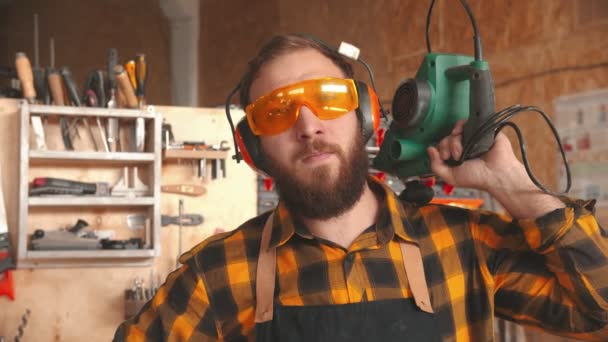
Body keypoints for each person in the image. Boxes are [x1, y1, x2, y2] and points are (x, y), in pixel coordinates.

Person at [114, 34, 608, 341]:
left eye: (327, 99)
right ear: (254, 147)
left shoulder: (468, 246)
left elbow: (597, 310)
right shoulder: (217, 275)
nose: (307, 125)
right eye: (277, 112)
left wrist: (516, 188)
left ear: (365, 116)